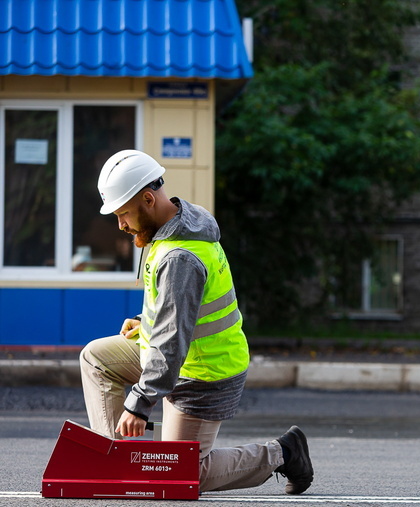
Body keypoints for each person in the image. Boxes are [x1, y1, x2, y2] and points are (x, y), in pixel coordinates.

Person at [79, 149, 313, 495]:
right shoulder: (176, 226)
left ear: (147, 199)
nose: (121, 225)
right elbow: (181, 308)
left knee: (180, 476)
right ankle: (120, 462)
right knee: (96, 359)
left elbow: (172, 340)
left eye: (123, 215)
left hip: (205, 373)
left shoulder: (181, 257)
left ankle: (283, 453)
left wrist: (139, 404)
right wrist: (148, 321)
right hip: (181, 358)